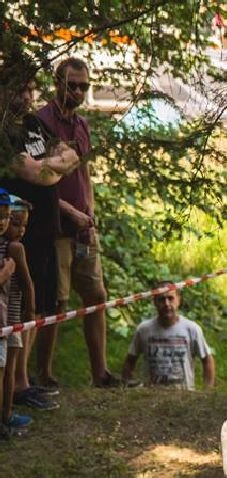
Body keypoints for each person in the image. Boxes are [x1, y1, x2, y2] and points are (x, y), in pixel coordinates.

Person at [37, 58, 122, 389]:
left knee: (96, 294)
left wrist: (89, 211)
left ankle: (100, 372)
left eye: (83, 86)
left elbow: (83, 173)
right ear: (57, 83)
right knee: (55, 301)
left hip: (85, 227)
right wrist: (68, 211)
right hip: (55, 226)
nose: (77, 91)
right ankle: (43, 374)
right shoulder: (41, 122)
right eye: (71, 85)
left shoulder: (82, 125)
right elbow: (39, 180)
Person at [1, 68, 79, 408]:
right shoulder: (4, 131)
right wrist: (54, 165)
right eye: (20, 89)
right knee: (18, 309)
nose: (26, 97)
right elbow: (37, 175)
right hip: (19, 233)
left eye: (30, 89)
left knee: (36, 307)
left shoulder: (34, 124)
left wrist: (50, 164)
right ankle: (15, 386)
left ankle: (23, 382)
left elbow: (72, 155)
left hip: (46, 230)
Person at [122, 284, 215, 390]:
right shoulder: (144, 329)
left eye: (170, 298)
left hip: (184, 395)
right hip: (151, 395)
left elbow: (207, 359)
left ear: (178, 300)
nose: (166, 304)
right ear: (155, 302)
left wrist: (207, 391)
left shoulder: (192, 329)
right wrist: (126, 387)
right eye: (162, 299)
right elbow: (130, 360)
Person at [4, 196, 39, 428]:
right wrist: (30, 310)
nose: (21, 230)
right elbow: (28, 284)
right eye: (16, 224)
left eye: (24, 225)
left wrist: (29, 311)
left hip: (13, 318)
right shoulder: (11, 247)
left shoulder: (15, 247)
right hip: (8, 319)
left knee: (9, 369)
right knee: (7, 370)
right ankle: (6, 414)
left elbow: (27, 284)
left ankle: (7, 412)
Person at [0, 190, 22, 437]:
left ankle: (4, 418)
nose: (2, 222)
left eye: (6, 216)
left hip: (5, 318)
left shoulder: (9, 247)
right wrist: (5, 274)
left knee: (4, 368)